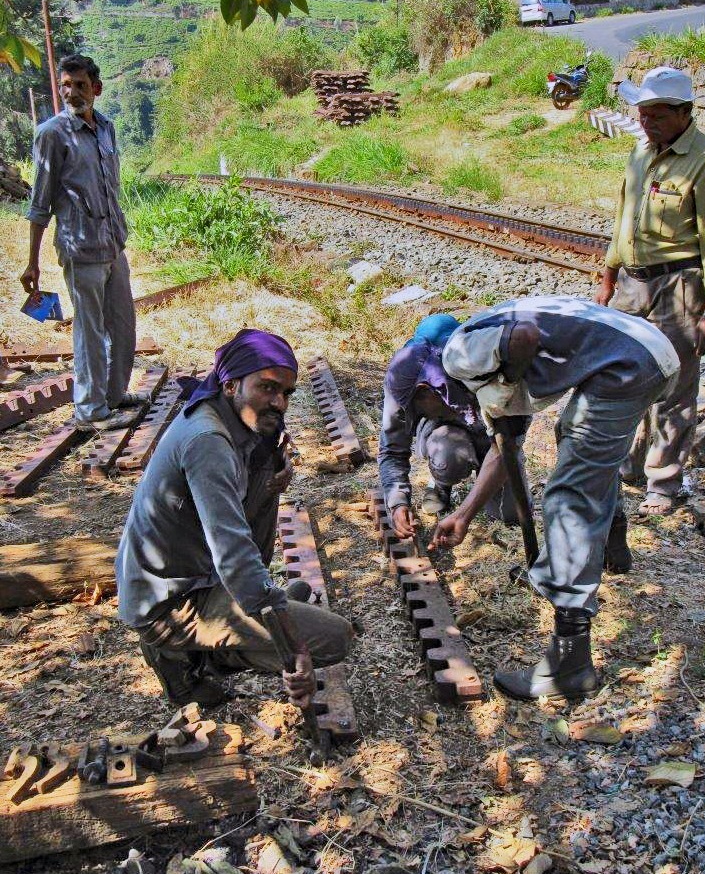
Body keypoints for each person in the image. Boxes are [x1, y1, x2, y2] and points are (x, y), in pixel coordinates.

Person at [434, 296, 680, 700]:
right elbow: (505, 448)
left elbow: (524, 338)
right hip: (646, 348)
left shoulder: (460, 355)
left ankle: (571, 663)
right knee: (578, 444)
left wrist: (509, 384)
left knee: (568, 497)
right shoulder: (495, 338)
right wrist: (465, 514)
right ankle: (613, 549)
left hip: (628, 365)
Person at [116, 329, 353, 708]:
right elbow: (236, 557)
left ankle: (224, 632)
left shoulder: (229, 417)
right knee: (334, 638)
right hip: (170, 601)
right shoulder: (207, 440)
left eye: (287, 393)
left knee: (269, 479)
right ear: (230, 384)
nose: (279, 402)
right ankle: (184, 657)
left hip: (194, 574)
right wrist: (292, 645)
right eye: (268, 388)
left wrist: (271, 467)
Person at [596, 66, 705, 516]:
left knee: (674, 384)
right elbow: (624, 216)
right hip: (632, 284)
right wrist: (608, 277)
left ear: (683, 113)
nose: (647, 122)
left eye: (656, 114)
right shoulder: (641, 152)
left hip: (680, 286)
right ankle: (629, 463)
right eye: (642, 114)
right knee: (623, 375)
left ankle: (665, 481)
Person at [22, 54, 144, 431]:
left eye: (79, 85)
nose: (72, 93)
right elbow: (40, 204)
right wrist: (32, 262)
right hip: (80, 248)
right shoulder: (52, 134)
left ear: (96, 88)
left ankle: (112, 394)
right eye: (66, 85)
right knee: (89, 331)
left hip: (112, 244)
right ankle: (90, 411)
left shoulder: (106, 128)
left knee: (122, 325)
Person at [378, 315, 528, 540]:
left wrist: (465, 513)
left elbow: (509, 445)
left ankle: (481, 479)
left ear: (427, 390)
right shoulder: (402, 378)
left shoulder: (488, 373)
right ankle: (441, 485)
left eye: (417, 408)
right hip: (446, 434)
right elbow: (391, 450)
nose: (415, 414)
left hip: (492, 438)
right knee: (447, 456)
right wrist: (397, 503)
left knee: (510, 515)